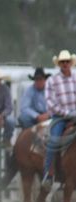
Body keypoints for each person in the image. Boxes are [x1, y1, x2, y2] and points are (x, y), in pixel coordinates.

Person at [42, 49, 76, 190]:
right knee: (53, 139)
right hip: (60, 117)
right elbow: (49, 102)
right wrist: (66, 113)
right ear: (59, 64)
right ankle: (48, 175)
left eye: (67, 61)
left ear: (70, 63)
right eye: (62, 62)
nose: (65, 64)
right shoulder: (52, 80)